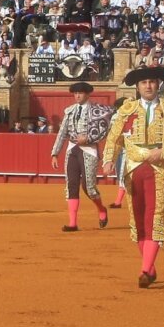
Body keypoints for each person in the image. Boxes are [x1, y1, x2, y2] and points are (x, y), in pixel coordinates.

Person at [103, 66, 164, 288]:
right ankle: (149, 268)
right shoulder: (127, 110)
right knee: (138, 219)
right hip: (132, 168)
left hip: (158, 168)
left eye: (152, 81)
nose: (148, 86)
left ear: (158, 84)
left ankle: (144, 270)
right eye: (144, 83)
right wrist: (108, 159)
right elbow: (114, 138)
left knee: (155, 217)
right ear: (138, 87)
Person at [50, 81, 114, 231]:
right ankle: (73, 223)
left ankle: (101, 209)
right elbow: (62, 133)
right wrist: (55, 153)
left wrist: (89, 139)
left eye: (80, 93)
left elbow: (104, 130)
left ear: (87, 94)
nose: (77, 96)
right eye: (75, 93)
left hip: (89, 149)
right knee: (71, 185)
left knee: (89, 187)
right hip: (72, 149)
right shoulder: (70, 111)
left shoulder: (97, 111)